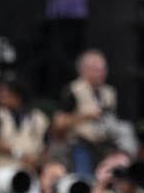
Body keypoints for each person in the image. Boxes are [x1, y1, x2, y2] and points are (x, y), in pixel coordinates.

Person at [53, 49, 127, 179]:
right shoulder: (73, 90)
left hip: (105, 144)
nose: (102, 73)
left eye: (104, 69)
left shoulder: (109, 93)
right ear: (84, 70)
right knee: (85, 178)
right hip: (81, 144)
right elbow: (58, 123)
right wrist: (84, 116)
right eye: (97, 70)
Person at [0, 76, 47, 173]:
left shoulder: (38, 117)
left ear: (17, 94)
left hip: (30, 170)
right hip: (4, 169)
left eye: (5, 91)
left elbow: (46, 146)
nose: (1, 95)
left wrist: (38, 162)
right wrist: (20, 154)